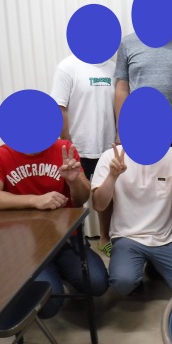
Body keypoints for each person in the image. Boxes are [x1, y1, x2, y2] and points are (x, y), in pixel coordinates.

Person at [0, 140, 109, 318]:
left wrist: (74, 181)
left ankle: (61, 271)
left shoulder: (64, 149)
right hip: (25, 247)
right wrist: (35, 200)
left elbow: (81, 199)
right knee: (47, 306)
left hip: (65, 239)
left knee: (97, 283)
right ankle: (45, 274)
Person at [91, 136, 172, 295]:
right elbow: (99, 205)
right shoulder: (111, 156)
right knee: (122, 283)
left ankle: (153, 267)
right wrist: (112, 176)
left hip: (165, 238)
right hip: (127, 237)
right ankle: (137, 274)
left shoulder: (171, 154)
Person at [114, 31, 172, 233]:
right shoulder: (127, 44)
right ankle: (142, 234)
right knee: (143, 186)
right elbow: (122, 88)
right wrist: (120, 128)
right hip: (138, 131)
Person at [50, 54, 115, 257]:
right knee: (75, 195)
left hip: (108, 145)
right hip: (78, 146)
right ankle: (77, 239)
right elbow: (59, 107)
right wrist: (66, 141)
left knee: (107, 194)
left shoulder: (113, 68)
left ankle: (105, 238)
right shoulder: (67, 67)